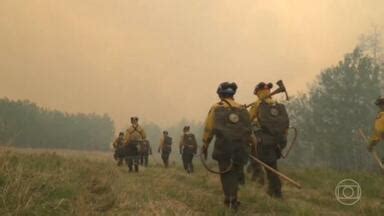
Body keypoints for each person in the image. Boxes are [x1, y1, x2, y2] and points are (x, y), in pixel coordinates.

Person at [202, 82, 252, 210]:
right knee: (235, 173)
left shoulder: (216, 107)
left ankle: (231, 202)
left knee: (227, 174)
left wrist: (205, 145)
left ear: (220, 94)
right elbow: (248, 130)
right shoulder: (242, 108)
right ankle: (233, 198)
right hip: (241, 148)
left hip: (224, 148)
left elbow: (209, 128)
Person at [248, 82, 289, 198]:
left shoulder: (258, 105)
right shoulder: (278, 105)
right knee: (271, 164)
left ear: (258, 92)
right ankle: (272, 189)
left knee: (269, 166)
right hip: (280, 141)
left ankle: (276, 191)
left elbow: (247, 120)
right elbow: (285, 125)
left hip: (265, 142)